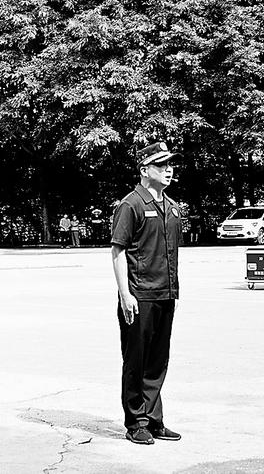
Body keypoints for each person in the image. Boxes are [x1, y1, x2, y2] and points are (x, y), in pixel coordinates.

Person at [111, 141, 183, 445]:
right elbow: (118, 251)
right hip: (139, 294)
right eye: (161, 165)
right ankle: (136, 422)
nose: (169, 170)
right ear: (144, 170)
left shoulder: (173, 207)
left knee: (158, 361)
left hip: (166, 293)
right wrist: (125, 294)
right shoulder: (131, 205)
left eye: (170, 164)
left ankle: (154, 419)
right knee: (136, 361)